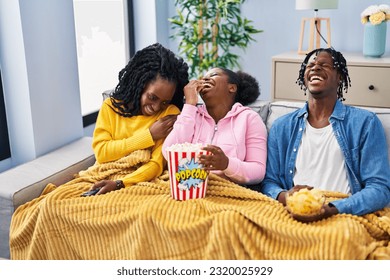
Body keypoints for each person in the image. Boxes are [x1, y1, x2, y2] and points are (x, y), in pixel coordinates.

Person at [260, 47, 390, 222]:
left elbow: (379, 188)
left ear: (340, 77)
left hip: (342, 212)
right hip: (292, 212)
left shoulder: (365, 123)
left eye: (324, 65)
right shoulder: (281, 127)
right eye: (310, 65)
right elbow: (269, 182)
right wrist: (286, 197)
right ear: (304, 77)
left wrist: (332, 209)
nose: (315, 68)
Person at [89, 42, 189, 195]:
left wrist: (120, 184)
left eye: (164, 101)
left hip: (136, 183)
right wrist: (149, 135)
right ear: (139, 84)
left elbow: (156, 164)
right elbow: (102, 153)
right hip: (103, 175)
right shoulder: (111, 107)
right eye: (152, 97)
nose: (156, 107)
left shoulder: (169, 114)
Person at [162, 67, 267, 185]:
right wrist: (190, 105)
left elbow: (258, 171)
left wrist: (226, 164)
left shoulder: (249, 119)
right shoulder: (191, 115)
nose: (205, 78)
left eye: (214, 74)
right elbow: (168, 152)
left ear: (231, 88)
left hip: (227, 191)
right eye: (203, 77)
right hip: (189, 187)